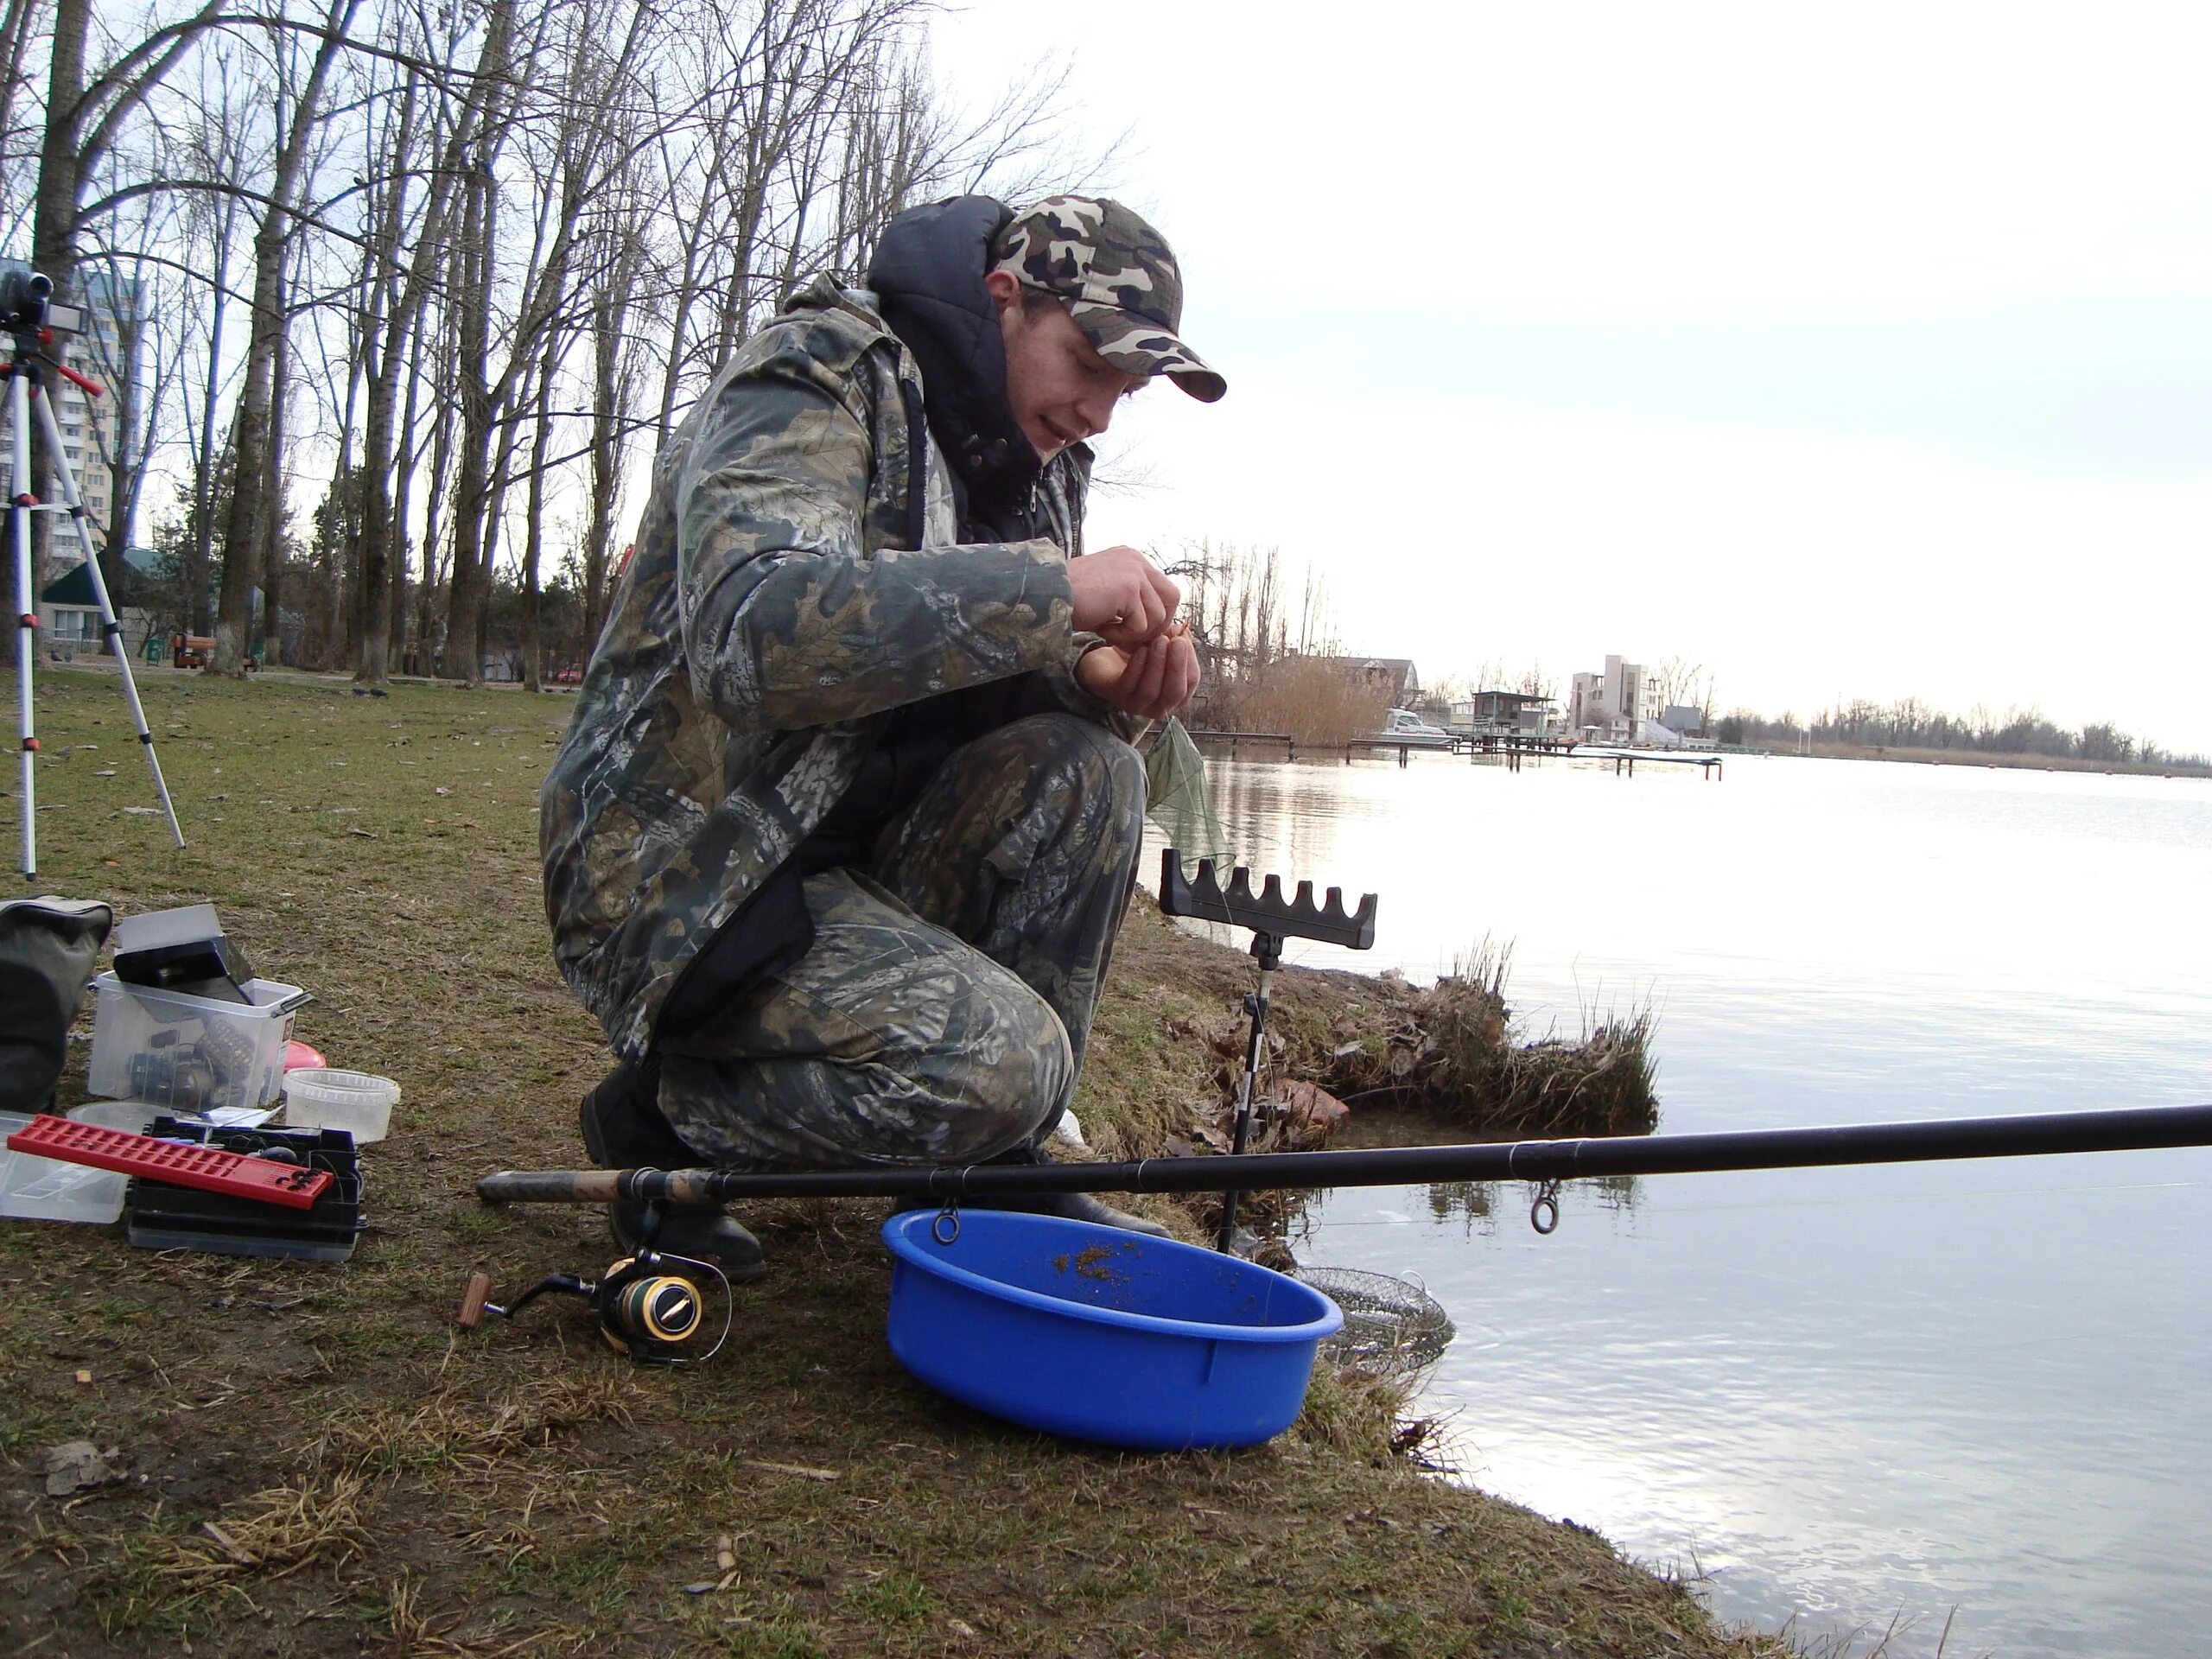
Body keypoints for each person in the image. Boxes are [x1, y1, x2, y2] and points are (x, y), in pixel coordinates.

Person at [539, 194, 1223, 1274]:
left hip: (843, 843)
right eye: (1088, 364)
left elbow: (963, 662)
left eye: (1124, 390)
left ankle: (994, 1160)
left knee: (1091, 774)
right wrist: (1052, 590)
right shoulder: (814, 371)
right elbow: (752, 639)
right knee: (1000, 1064)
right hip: (689, 861)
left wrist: (1101, 687)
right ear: (1006, 297)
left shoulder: (1034, 458)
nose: (1099, 411)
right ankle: (662, 1122)